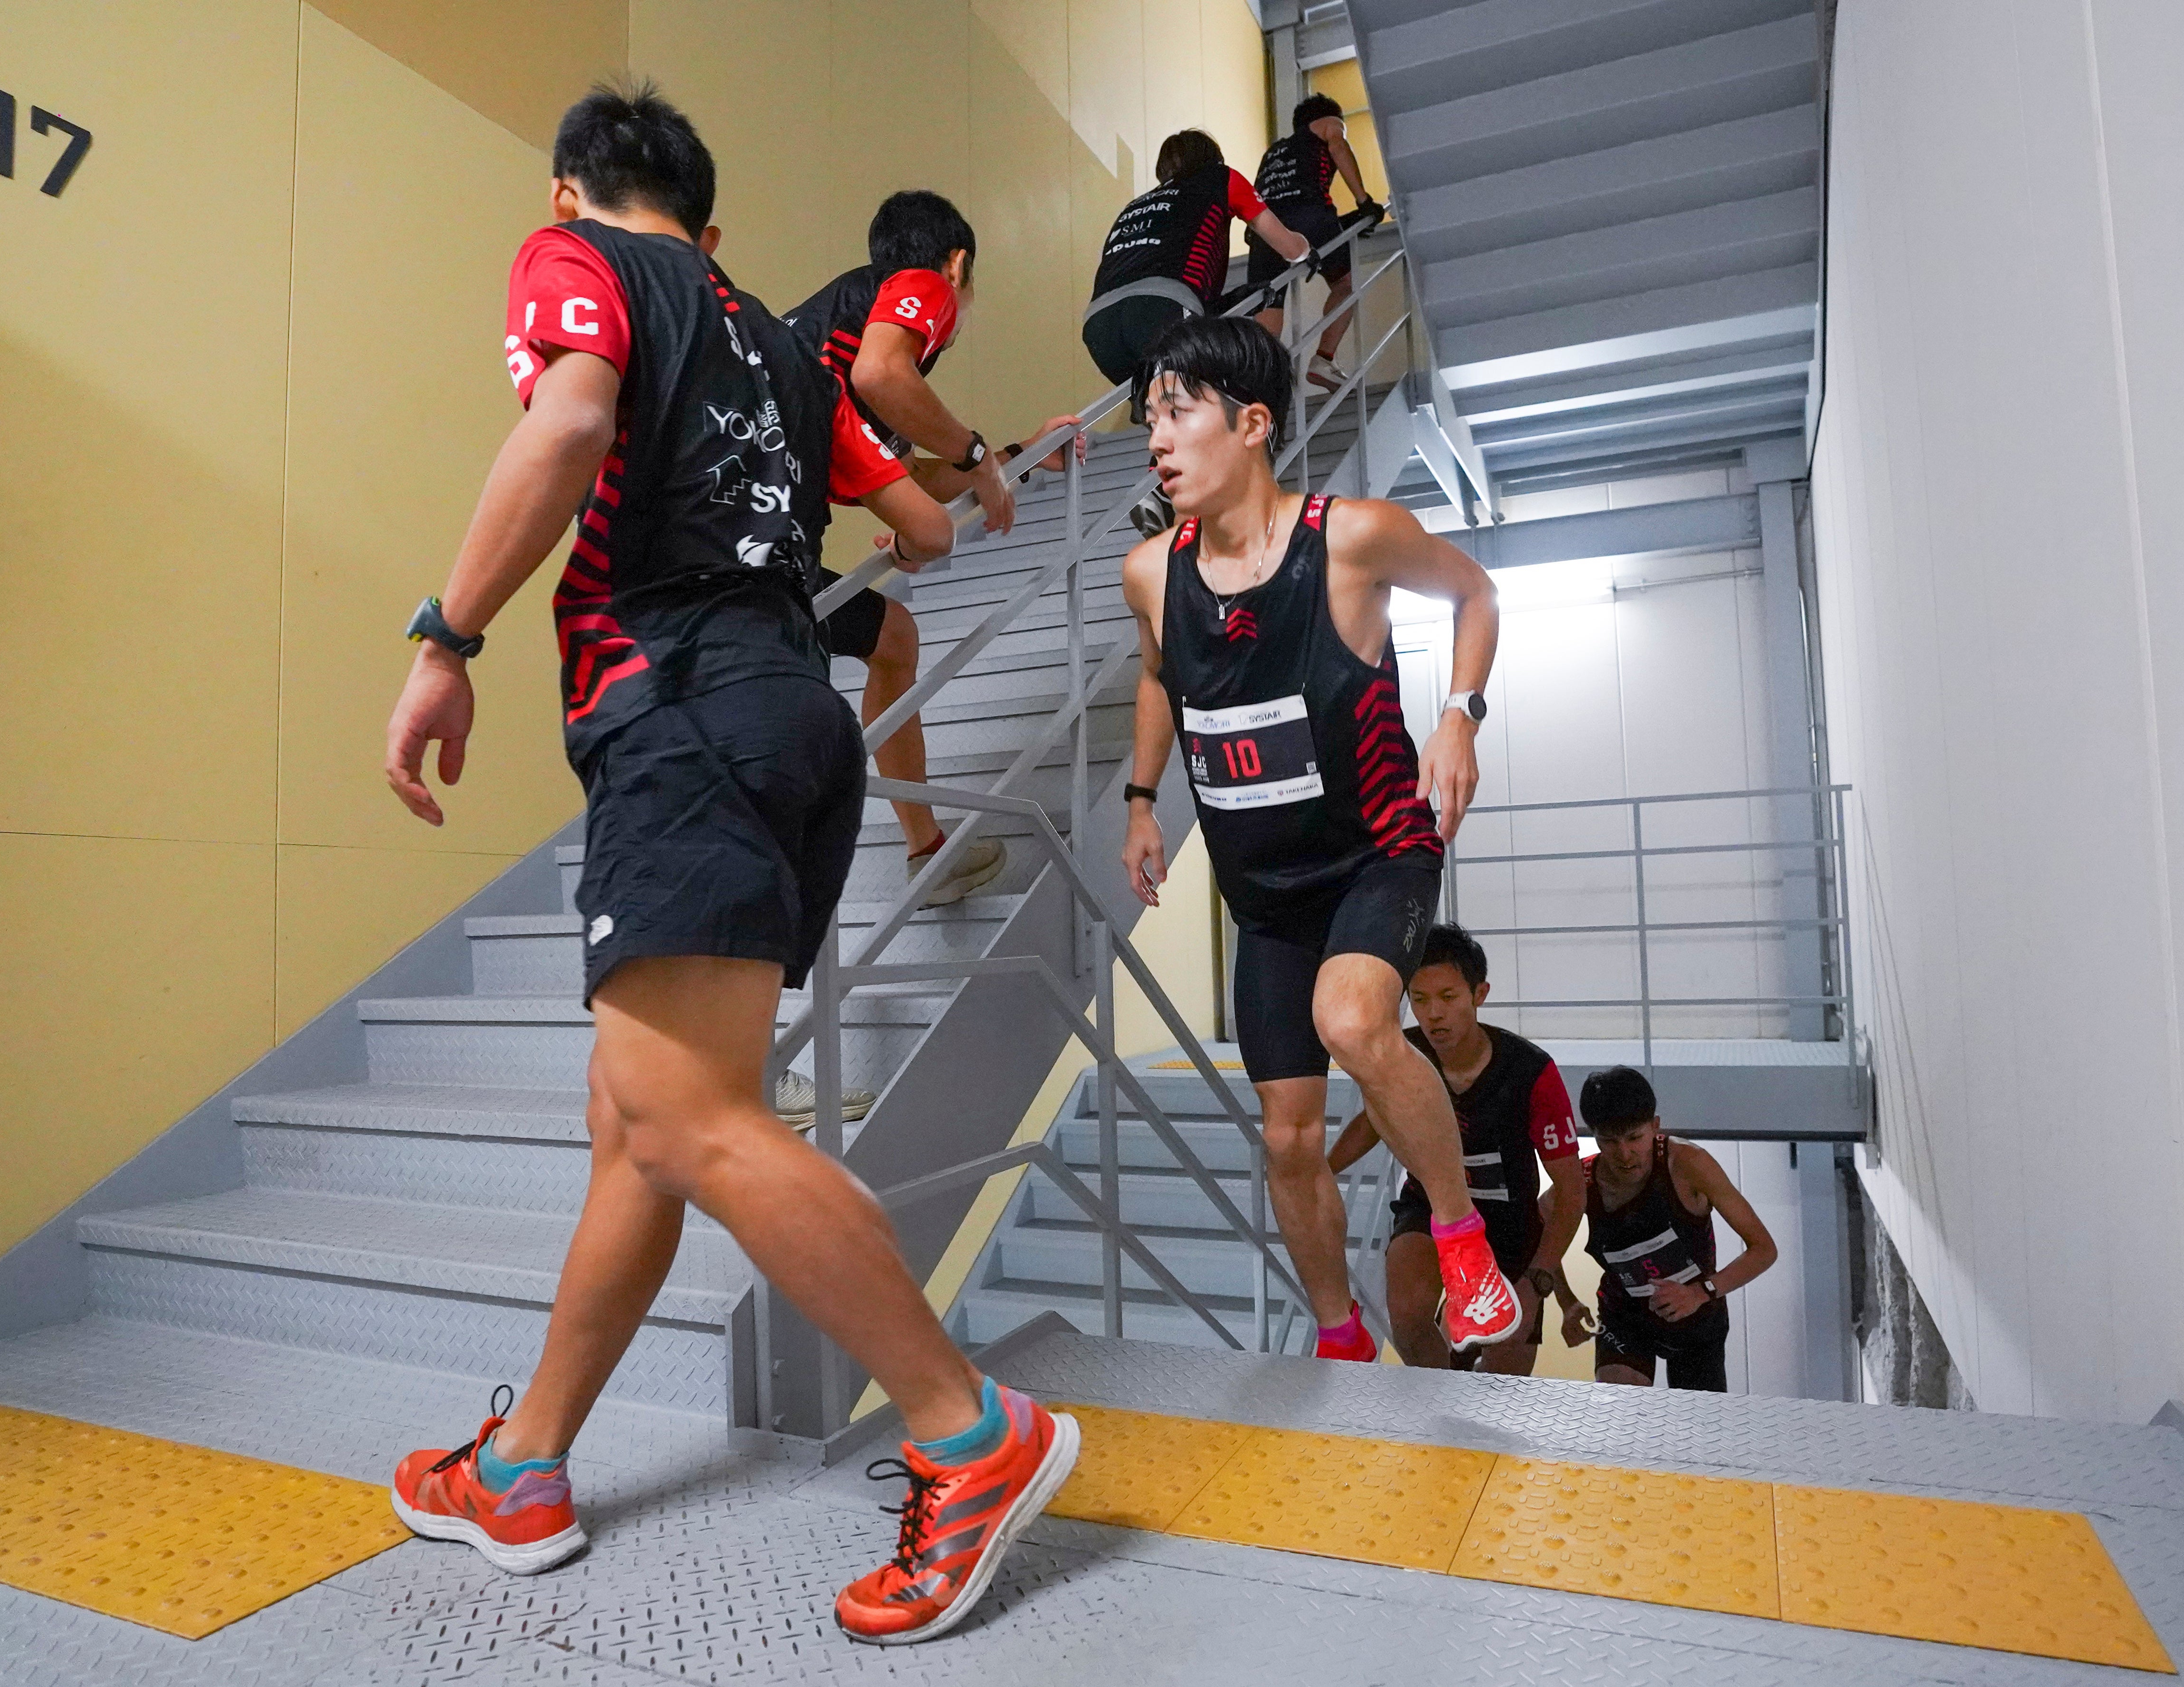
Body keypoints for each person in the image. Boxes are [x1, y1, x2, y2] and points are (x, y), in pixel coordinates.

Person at [378, 83, 1077, 1645]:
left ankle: (971, 1435)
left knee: (689, 1116)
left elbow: (566, 420)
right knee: (636, 1123)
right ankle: (528, 1465)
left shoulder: (583, 266)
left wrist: (449, 638)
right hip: (799, 725)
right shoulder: (772, 335)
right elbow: (925, 526)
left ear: (576, 196)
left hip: (678, 713)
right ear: (714, 228)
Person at [1119, 314, 1519, 1364]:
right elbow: (1160, 675)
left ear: (1252, 424)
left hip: (1379, 851)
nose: (1156, 440)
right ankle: (1341, 1334)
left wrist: (1459, 713)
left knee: (1353, 1020)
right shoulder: (1151, 572)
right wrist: (1136, 799)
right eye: (1147, 419)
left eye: (1178, 413)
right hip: (1266, 892)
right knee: (1290, 1139)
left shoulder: (1352, 537)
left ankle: (1463, 1241)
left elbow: (1475, 591)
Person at [786, 191, 1082, 908]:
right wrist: (979, 456)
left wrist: (1015, 456)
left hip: (758, 533)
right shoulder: (923, 290)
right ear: (957, 264)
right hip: (763, 542)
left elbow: (909, 473)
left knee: (894, 634)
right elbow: (884, 376)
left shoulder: (829, 346)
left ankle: (926, 847)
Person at [1326, 925, 1583, 1373]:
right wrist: (1318, 1169)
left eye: (1448, 997)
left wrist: (1538, 1281)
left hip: (1510, 1228)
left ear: (1479, 994)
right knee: (1406, 1314)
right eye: (1420, 1000)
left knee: (1506, 1382)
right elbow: (1372, 1122)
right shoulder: (1403, 1051)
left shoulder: (1532, 1072)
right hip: (1430, 1208)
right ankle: (1443, 1401)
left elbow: (1572, 1192)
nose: (1433, 1015)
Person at [1083, 130, 1310, 535]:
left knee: (1175, 403)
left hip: (1101, 329)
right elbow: (1286, 245)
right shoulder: (1221, 180)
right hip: (1161, 309)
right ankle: (1161, 487)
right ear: (1214, 158)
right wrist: (1306, 249)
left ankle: (1177, 494)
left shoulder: (1139, 204)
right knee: (1222, 390)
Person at [1564, 1066, 1780, 1392]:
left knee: (1699, 1430)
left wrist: (1699, 1293)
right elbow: (1535, 1238)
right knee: (1623, 1416)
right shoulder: (1582, 1182)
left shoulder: (1689, 1164)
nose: (1625, 1155)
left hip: (1697, 1315)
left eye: (1635, 1138)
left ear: (1655, 1127)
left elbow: (1764, 1249)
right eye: (1609, 1142)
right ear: (1594, 1136)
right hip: (1625, 1319)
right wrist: (1565, 1300)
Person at [1250, 93, 1383, 389]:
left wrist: (1343, 224)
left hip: (1266, 229)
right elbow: (1338, 147)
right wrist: (1364, 202)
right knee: (1345, 285)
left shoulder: (1273, 152)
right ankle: (1323, 360)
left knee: (1269, 302)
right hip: (1310, 215)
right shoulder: (1329, 123)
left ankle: (1265, 380)